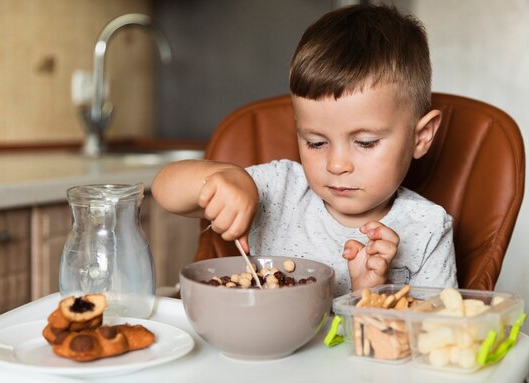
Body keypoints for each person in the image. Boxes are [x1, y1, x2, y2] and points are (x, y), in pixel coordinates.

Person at [152, 4, 457, 297]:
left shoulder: (427, 228)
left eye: (365, 143)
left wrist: (370, 296)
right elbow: (165, 190)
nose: (336, 165)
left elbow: (437, 336)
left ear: (421, 137)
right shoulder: (277, 190)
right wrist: (223, 177)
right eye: (316, 142)